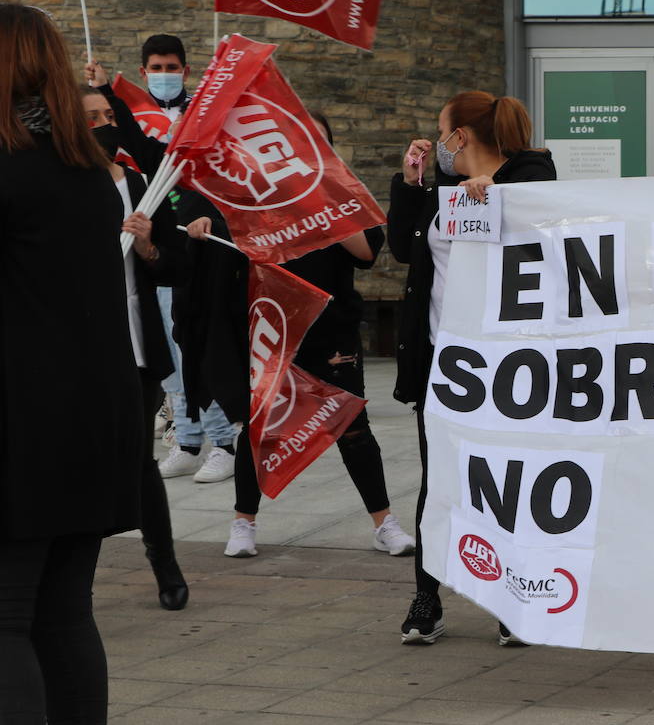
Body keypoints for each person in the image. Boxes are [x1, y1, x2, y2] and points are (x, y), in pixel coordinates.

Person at [0, 2, 143, 725]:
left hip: (23, 421)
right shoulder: (89, 169)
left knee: (8, 618)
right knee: (62, 613)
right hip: (90, 415)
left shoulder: (10, 165)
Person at [193, 110, 416, 559]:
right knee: (259, 429)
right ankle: (243, 522)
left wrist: (325, 206)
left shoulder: (342, 193)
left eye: (314, 139)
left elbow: (368, 252)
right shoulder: (254, 194)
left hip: (330, 328)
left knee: (352, 427)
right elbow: (224, 234)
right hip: (272, 327)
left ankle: (384, 523)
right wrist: (204, 225)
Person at [390, 91, 557, 646]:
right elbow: (402, 250)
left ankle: (514, 599)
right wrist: (411, 185)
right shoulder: (442, 195)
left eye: (441, 133)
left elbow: (547, 233)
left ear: (460, 137)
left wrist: (502, 198)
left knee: (508, 483)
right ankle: (427, 597)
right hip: (444, 368)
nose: (436, 144)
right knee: (438, 483)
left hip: (509, 372)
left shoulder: (529, 179)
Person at [86, 45, 239, 483]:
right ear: (144, 71)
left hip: (197, 247)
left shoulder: (205, 118)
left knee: (194, 346)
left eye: (172, 69)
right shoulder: (133, 115)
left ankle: (222, 440)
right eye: (157, 69)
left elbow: (217, 177)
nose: (165, 75)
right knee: (166, 353)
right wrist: (104, 91)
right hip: (152, 243)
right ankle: (187, 439)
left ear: (186, 71)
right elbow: (138, 146)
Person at [81, 86, 190, 611]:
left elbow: (171, 263)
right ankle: (74, 573)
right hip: (84, 346)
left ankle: (164, 564)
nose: (105, 125)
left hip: (138, 342)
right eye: (92, 118)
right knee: (80, 459)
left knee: (141, 461)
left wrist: (148, 244)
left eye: (108, 116)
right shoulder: (66, 187)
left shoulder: (142, 184)